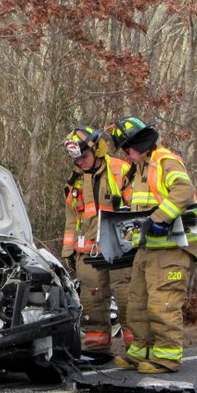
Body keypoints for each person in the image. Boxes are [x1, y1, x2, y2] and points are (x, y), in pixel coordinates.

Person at [108, 117, 197, 373]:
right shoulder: (140, 168)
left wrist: (161, 218)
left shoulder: (164, 161)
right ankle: (141, 351)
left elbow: (183, 190)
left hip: (172, 248)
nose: (127, 155)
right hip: (148, 247)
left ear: (137, 144)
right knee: (136, 303)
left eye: (127, 149)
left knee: (163, 303)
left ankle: (167, 357)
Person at [60, 125, 134, 361]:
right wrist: (69, 252)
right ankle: (97, 349)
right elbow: (72, 220)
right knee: (91, 302)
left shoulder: (120, 170)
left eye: (84, 157)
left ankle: (137, 350)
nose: (80, 162)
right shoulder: (75, 182)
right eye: (76, 159)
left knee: (127, 299)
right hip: (89, 253)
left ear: (97, 149)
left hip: (122, 250)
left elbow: (138, 209)